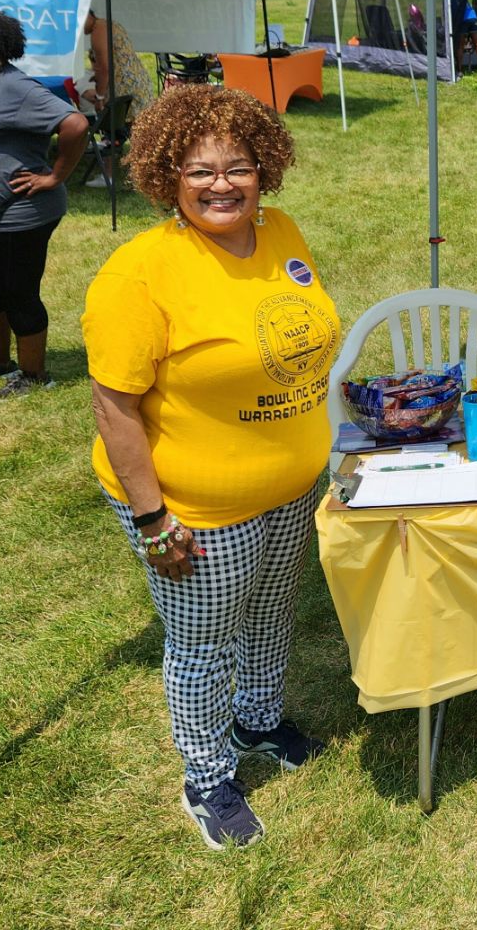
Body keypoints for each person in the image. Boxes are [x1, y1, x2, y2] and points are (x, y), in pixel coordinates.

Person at [82, 85, 341, 850]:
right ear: (169, 176)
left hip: (291, 486)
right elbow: (113, 409)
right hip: (192, 505)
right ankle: (207, 775)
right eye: (200, 170)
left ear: (266, 172)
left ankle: (259, 722)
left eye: (239, 166)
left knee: (267, 615)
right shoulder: (141, 275)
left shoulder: (283, 232)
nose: (222, 183)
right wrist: (152, 518)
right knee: (203, 644)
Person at [0, 10, 89, 400]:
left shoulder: (15, 87)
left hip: (18, 213)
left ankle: (34, 374)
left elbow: (75, 125)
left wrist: (54, 176)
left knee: (18, 294)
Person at [81, 10, 155, 121]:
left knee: (122, 129)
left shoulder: (98, 31)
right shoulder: (109, 24)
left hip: (126, 89)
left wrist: (99, 98)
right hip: (139, 82)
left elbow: (104, 69)